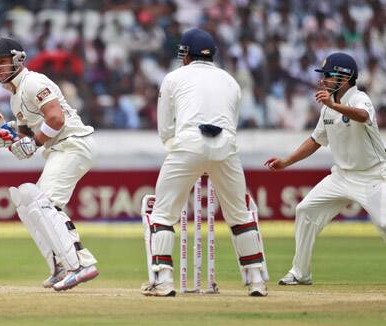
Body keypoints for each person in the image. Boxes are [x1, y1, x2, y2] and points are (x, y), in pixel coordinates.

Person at [143, 28, 268, 297]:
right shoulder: (230, 80)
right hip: (226, 146)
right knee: (239, 214)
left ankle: (164, 281)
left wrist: (176, 148)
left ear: (186, 54)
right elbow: (231, 123)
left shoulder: (174, 77)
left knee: (164, 214)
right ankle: (256, 278)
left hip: (187, 142)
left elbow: (165, 127)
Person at [265, 52, 386, 285]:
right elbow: (315, 141)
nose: (323, 80)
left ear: (345, 77)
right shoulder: (327, 107)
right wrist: (285, 162)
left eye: (328, 75)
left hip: (373, 176)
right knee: (305, 210)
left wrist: (334, 105)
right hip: (341, 176)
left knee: (384, 224)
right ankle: (300, 273)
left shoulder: (360, 98)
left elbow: (363, 116)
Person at [0, 37, 98, 291]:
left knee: (45, 201)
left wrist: (34, 143)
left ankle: (81, 264)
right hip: (59, 147)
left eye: (3, 62)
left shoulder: (33, 82)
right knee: (27, 202)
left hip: (73, 143)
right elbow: (32, 133)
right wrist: (12, 139)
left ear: (18, 60)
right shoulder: (15, 97)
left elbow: (56, 119)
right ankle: (60, 264)